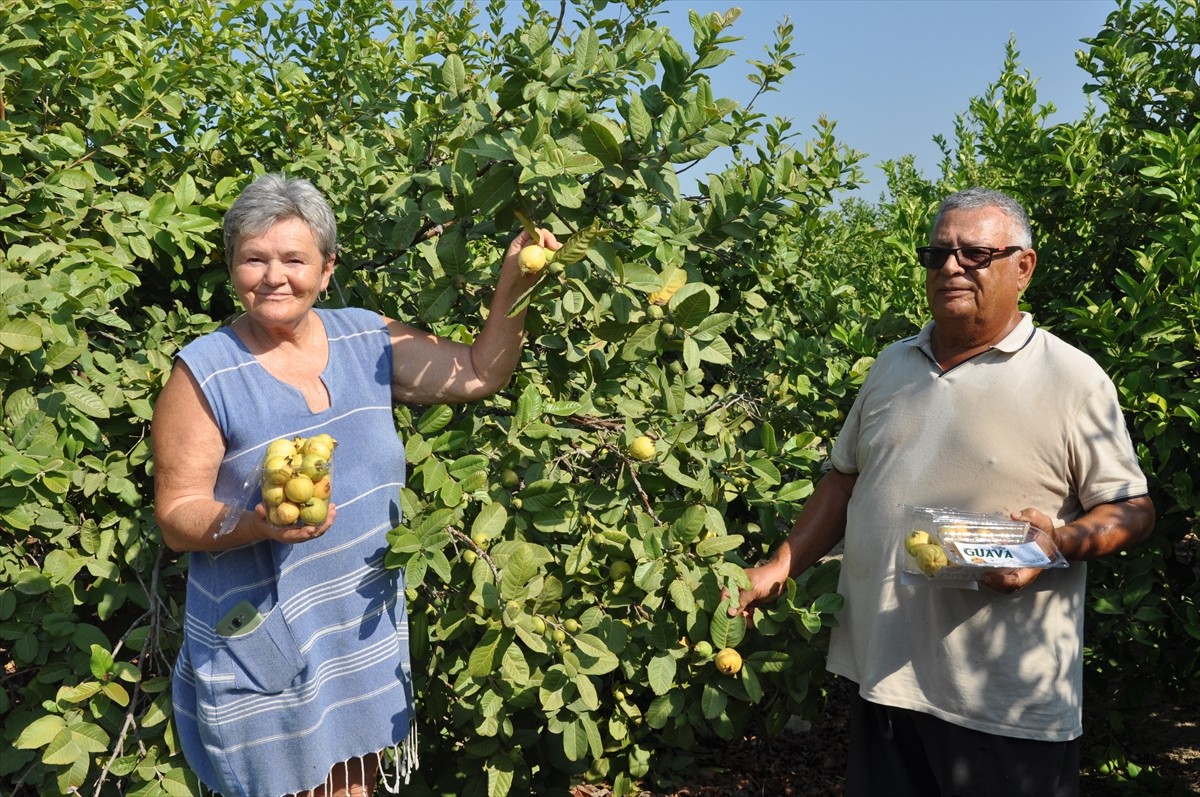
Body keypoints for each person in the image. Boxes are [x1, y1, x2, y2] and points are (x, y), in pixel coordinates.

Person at [735, 187, 1155, 797]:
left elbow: (1133, 510)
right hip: (882, 678)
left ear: (1023, 267)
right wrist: (781, 565)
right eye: (937, 255)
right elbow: (844, 478)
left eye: (976, 254)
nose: (952, 266)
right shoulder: (892, 365)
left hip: (1002, 705)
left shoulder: (1071, 378)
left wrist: (1054, 544)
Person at [152, 173, 558, 797]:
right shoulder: (205, 372)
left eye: (294, 258)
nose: (274, 276)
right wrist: (258, 524)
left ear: (327, 267)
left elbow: (479, 372)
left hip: (357, 626)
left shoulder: (367, 339)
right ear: (232, 265)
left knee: (351, 785)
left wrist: (516, 286)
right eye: (254, 258)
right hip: (264, 639)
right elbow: (178, 515)